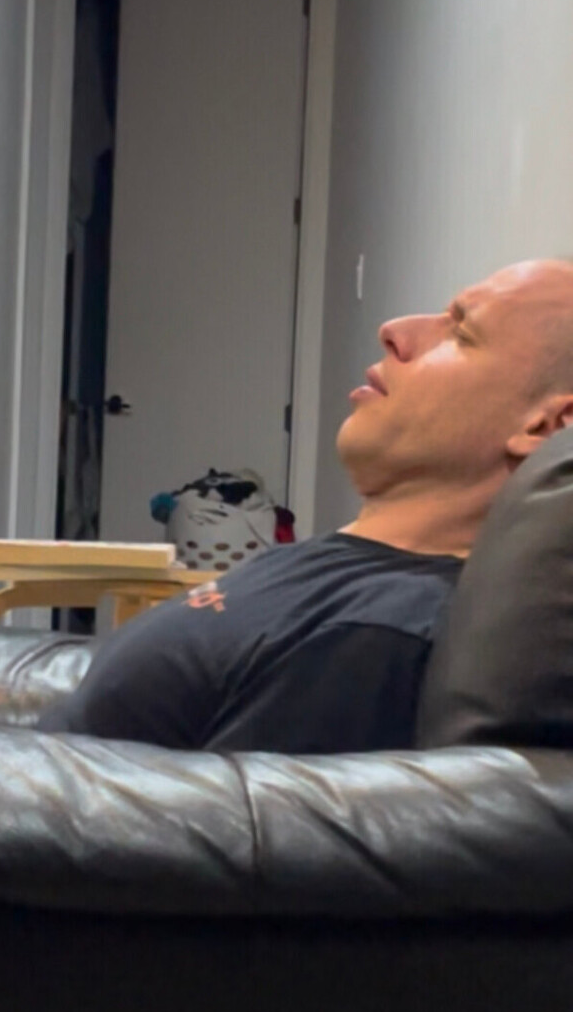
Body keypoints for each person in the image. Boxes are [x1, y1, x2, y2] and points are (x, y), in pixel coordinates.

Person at [38, 259, 573, 752]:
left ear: (547, 427)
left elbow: (207, 821)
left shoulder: (373, 637)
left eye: (461, 332)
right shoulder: (355, 578)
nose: (395, 330)